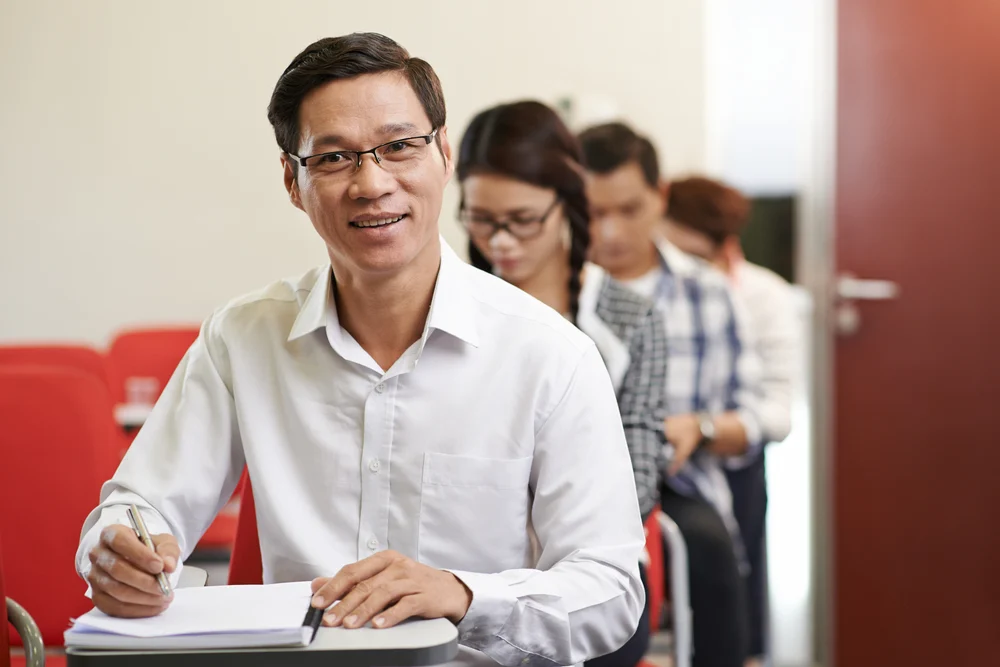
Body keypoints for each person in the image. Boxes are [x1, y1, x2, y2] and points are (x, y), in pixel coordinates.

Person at [75, 33, 646, 667]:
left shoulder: (551, 354)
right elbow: (140, 503)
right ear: (293, 181)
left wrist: (462, 595)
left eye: (399, 146)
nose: (372, 183)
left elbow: (610, 590)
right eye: (334, 158)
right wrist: (120, 548)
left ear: (444, 155)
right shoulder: (241, 339)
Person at [457, 100, 669, 667]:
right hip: (466, 575)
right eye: (480, 219)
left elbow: (639, 474)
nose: (500, 241)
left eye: (522, 219)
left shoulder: (629, 320)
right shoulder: (446, 312)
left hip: (592, 581)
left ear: (568, 203)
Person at [578, 122, 763, 667]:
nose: (609, 231)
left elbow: (752, 419)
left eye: (628, 210)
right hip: (569, 478)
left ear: (661, 198)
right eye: (593, 212)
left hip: (675, 479)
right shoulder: (556, 288)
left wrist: (699, 428)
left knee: (706, 546)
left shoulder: (707, 293)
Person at [664, 176, 800, 664]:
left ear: (726, 249)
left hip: (729, 456)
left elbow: (779, 413)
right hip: (664, 460)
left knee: (726, 557)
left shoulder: (765, 296)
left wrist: (702, 429)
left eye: (693, 255)